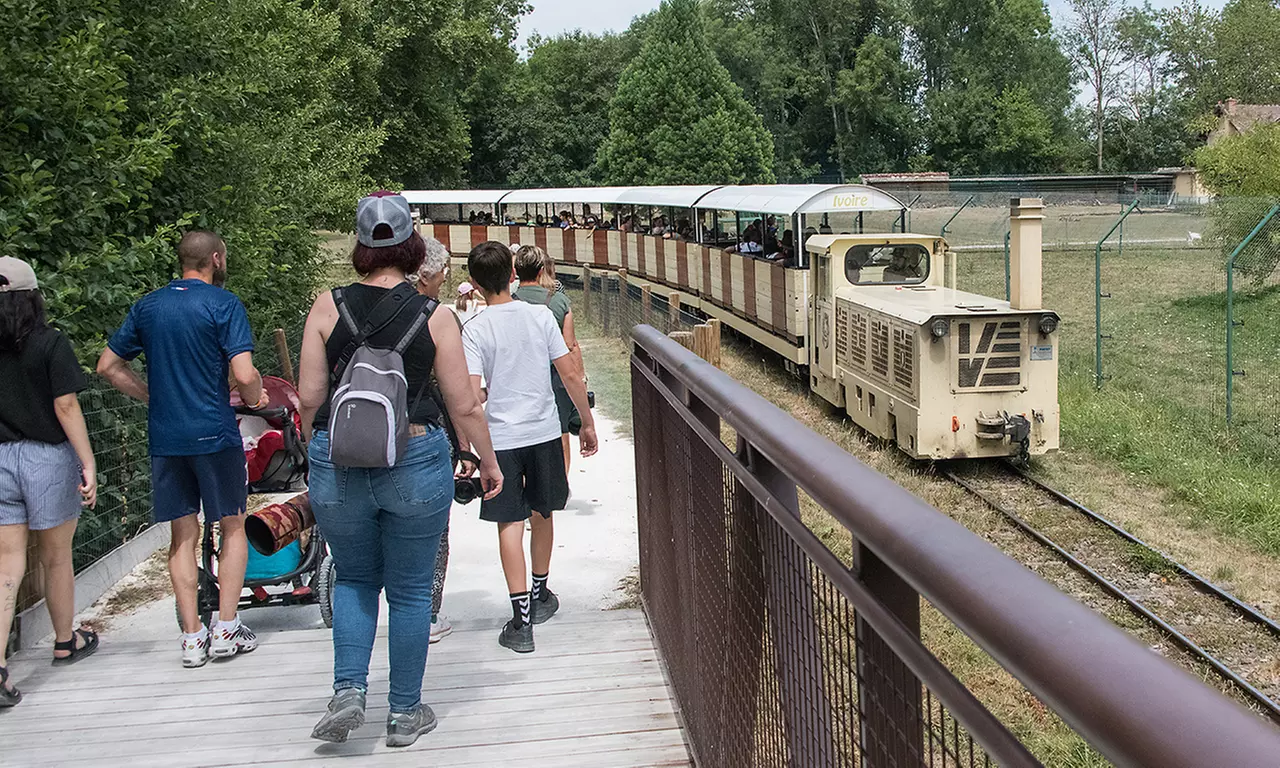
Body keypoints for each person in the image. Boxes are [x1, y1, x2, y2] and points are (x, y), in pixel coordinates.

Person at [298, 192, 501, 748]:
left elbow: (311, 395)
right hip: (413, 457)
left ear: (361, 246)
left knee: (356, 578)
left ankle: (347, 692)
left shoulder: (326, 305)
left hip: (338, 463)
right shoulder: (434, 316)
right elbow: (463, 405)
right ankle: (405, 713)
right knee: (411, 590)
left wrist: (313, 446)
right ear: (411, 244)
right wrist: (487, 460)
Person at [98, 231, 266, 668]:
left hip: (166, 436)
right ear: (215, 258)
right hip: (213, 433)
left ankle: (192, 636)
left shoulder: (148, 306)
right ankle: (226, 628)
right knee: (231, 526)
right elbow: (244, 374)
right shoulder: (223, 305)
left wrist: (152, 395)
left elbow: (108, 365)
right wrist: (256, 397)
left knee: (182, 536)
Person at [461, 242, 597, 654]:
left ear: (476, 286)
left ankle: (520, 622)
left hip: (500, 439)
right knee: (543, 511)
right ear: (514, 277)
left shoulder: (475, 329)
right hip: (542, 432)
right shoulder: (540, 316)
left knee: (509, 524)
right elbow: (570, 374)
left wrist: (470, 449)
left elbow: (470, 397)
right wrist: (586, 422)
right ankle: (541, 595)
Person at [0, 257, 100, 708]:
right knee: (57, 558)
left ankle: (0, 669)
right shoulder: (50, 343)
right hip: (45, 457)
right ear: (33, 297)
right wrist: (88, 462)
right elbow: (66, 408)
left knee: (6, 565)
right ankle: (66, 640)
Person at [411, 237, 457, 645]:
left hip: (365, 433)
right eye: (443, 270)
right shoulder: (434, 315)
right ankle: (425, 614)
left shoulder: (353, 306)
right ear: (425, 274)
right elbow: (455, 393)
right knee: (433, 529)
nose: (446, 278)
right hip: (422, 431)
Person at [514, 246, 585, 483]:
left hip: (521, 377)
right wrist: (580, 377)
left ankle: (527, 483)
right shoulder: (560, 301)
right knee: (562, 431)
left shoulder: (509, 301)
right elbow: (570, 344)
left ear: (515, 272)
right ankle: (560, 484)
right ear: (541, 270)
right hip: (555, 376)